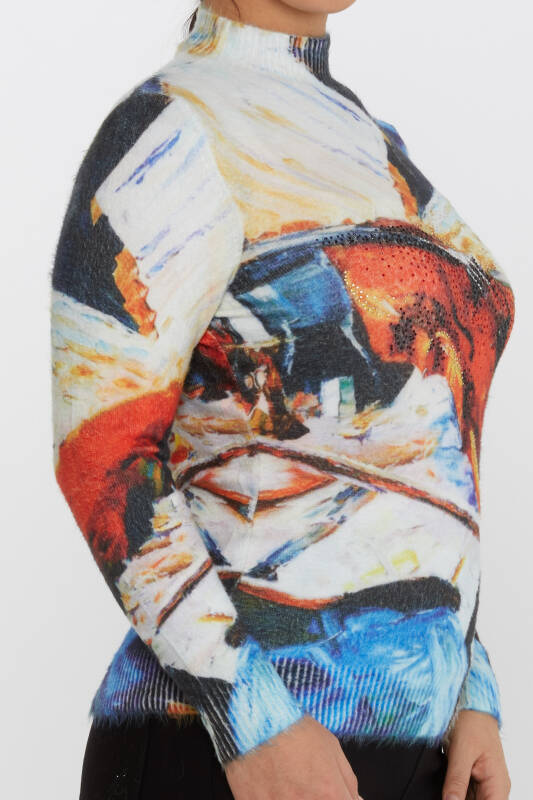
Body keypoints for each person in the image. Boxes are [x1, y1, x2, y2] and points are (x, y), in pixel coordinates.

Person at [50, 1, 515, 798]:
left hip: (416, 750)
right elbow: (99, 453)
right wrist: (250, 717)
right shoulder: (169, 128)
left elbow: (429, 438)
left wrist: (473, 682)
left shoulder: (372, 142)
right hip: (231, 752)